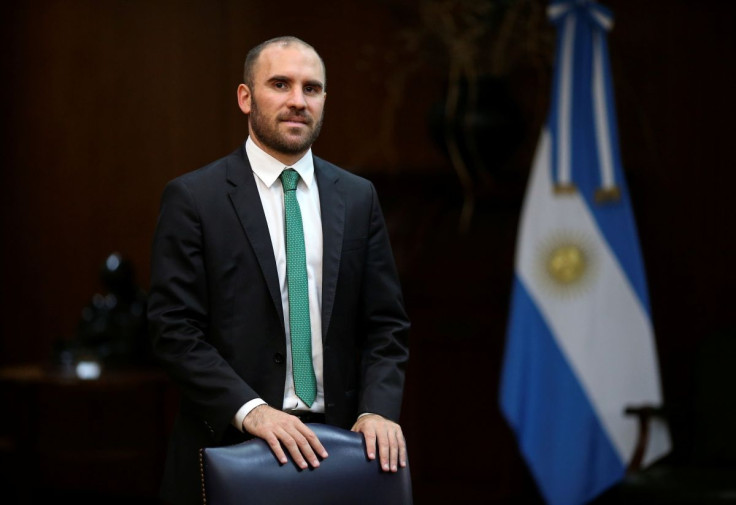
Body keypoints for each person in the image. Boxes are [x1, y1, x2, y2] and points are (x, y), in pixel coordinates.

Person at [147, 36, 410, 505]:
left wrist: (377, 409)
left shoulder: (358, 197)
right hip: (231, 448)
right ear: (246, 97)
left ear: (324, 100)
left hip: (344, 451)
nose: (297, 100)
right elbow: (173, 330)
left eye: (312, 89)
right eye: (280, 84)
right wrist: (252, 411)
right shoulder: (195, 199)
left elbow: (386, 326)